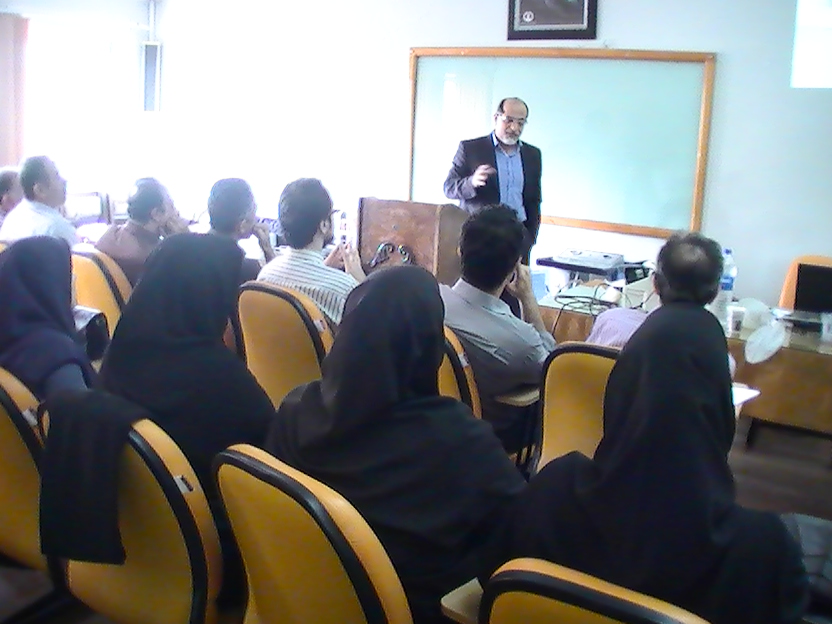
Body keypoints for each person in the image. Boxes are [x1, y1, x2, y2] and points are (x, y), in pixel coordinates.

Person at [482, 233, 809, 624]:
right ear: (721, 412)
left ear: (619, 393)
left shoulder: (551, 495)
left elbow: (494, 587)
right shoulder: (764, 555)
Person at [265, 265, 525, 624]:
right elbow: (520, 542)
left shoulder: (294, 409)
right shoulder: (461, 443)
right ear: (431, 347)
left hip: (298, 603)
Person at [98, 233, 275, 607]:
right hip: (215, 558)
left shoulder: (122, 349)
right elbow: (272, 469)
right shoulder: (225, 384)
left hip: (137, 535)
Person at [440, 205, 555, 452]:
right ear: (515, 268)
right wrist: (528, 298)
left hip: (436, 433)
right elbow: (553, 371)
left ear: (460, 251)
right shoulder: (521, 342)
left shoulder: (428, 300)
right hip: (493, 446)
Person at [443, 97, 542, 263]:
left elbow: (534, 200)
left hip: (518, 236)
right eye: (509, 120)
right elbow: (449, 187)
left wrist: (530, 237)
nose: (515, 128)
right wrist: (471, 182)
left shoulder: (532, 155)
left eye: (521, 123)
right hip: (480, 237)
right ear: (496, 118)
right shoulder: (471, 148)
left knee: (517, 280)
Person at [258, 178, 365, 326]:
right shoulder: (344, 289)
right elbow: (375, 328)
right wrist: (362, 285)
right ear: (324, 225)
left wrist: (323, 267)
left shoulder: (265, 276)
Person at [0, 237, 95, 398]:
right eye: (68, 275)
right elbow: (80, 411)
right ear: (49, 283)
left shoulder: (10, 337)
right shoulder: (56, 353)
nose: (73, 282)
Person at [95, 178, 189, 285]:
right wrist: (185, 241)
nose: (176, 212)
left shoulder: (109, 237)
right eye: (172, 206)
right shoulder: (155, 257)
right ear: (156, 214)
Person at [207, 178, 275, 283]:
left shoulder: (184, 247)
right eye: (254, 211)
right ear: (243, 225)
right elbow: (276, 287)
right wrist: (268, 250)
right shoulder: (245, 268)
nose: (257, 218)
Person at [0, 156, 77, 245]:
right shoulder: (57, 228)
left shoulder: (13, 217)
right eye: (57, 176)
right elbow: (82, 253)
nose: (64, 181)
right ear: (40, 190)